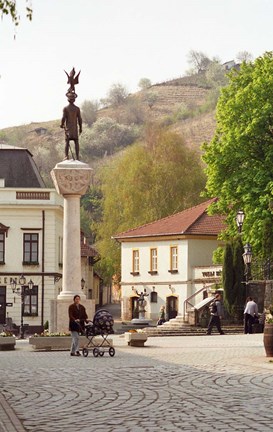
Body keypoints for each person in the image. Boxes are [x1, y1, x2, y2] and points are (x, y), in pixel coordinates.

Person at [60, 92, 82, 160]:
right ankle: (77, 157)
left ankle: (66, 156)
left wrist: (62, 124)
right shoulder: (77, 108)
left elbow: (63, 117)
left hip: (68, 128)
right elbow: (80, 119)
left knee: (67, 142)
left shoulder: (66, 108)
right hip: (74, 128)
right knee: (76, 142)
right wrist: (80, 127)